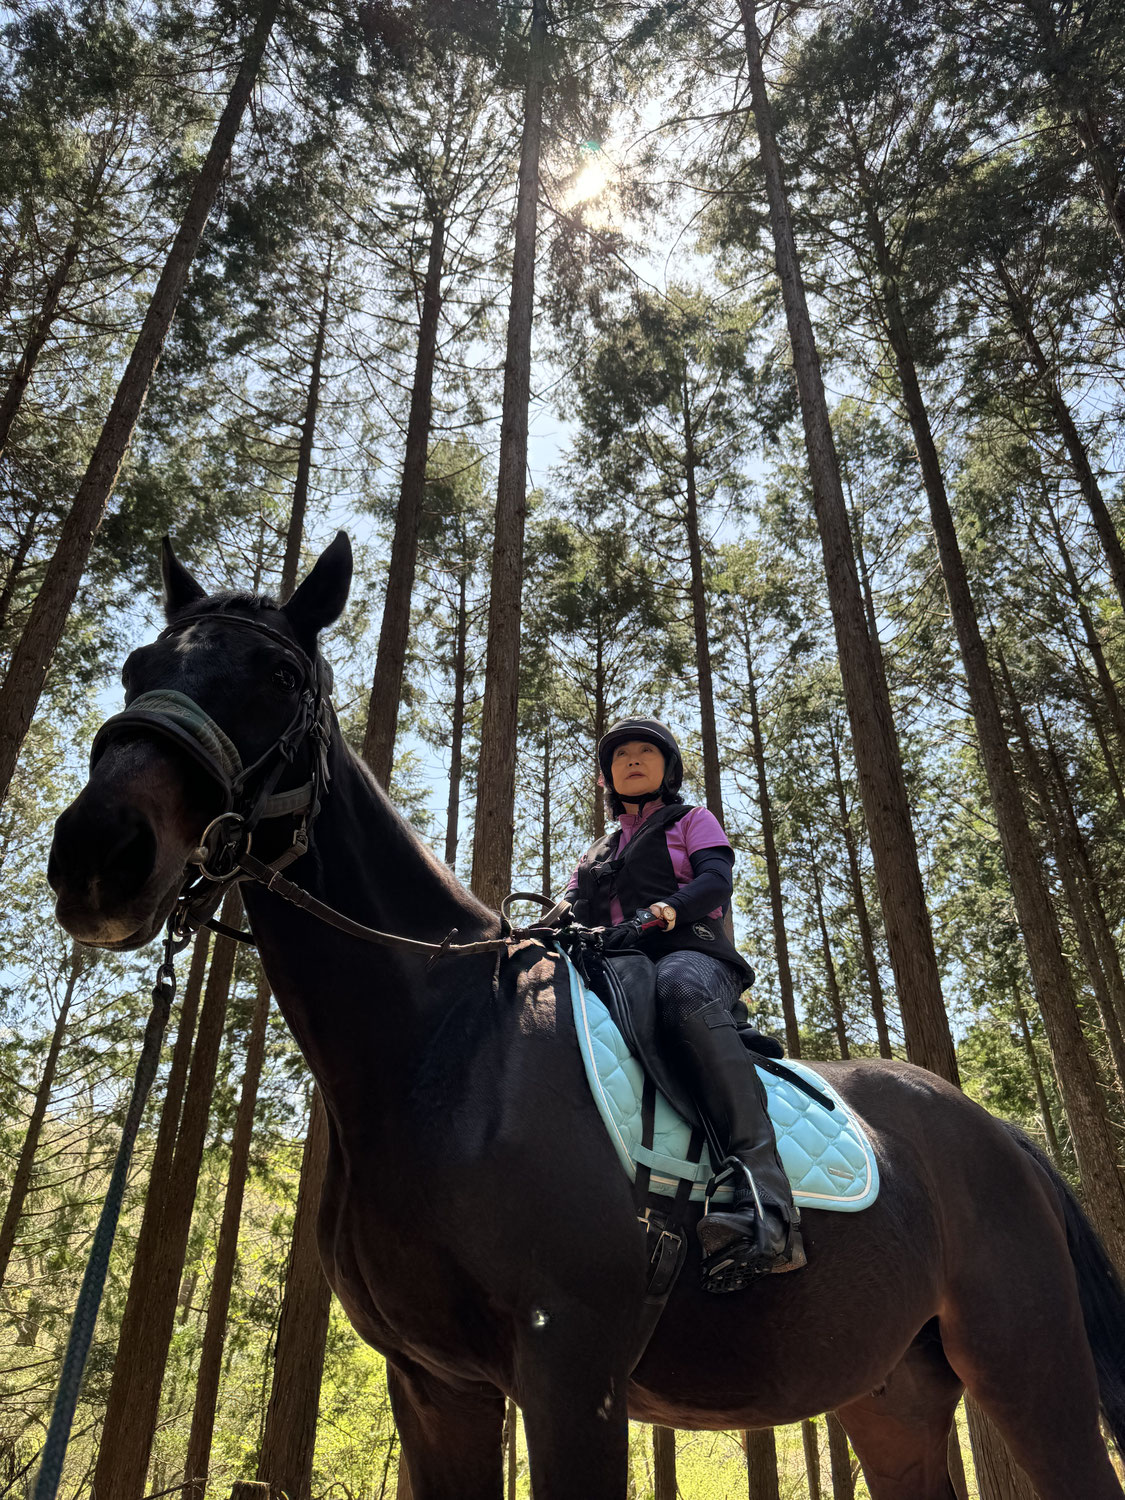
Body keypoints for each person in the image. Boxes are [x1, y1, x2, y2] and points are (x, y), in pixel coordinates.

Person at [564, 717, 804, 1293]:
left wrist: (659, 914)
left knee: (679, 989)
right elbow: (568, 907)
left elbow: (715, 881)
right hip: (615, 968)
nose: (634, 760)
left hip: (689, 956)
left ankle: (764, 1197)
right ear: (607, 778)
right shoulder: (595, 853)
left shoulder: (693, 820)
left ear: (668, 768)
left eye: (647, 752)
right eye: (621, 757)